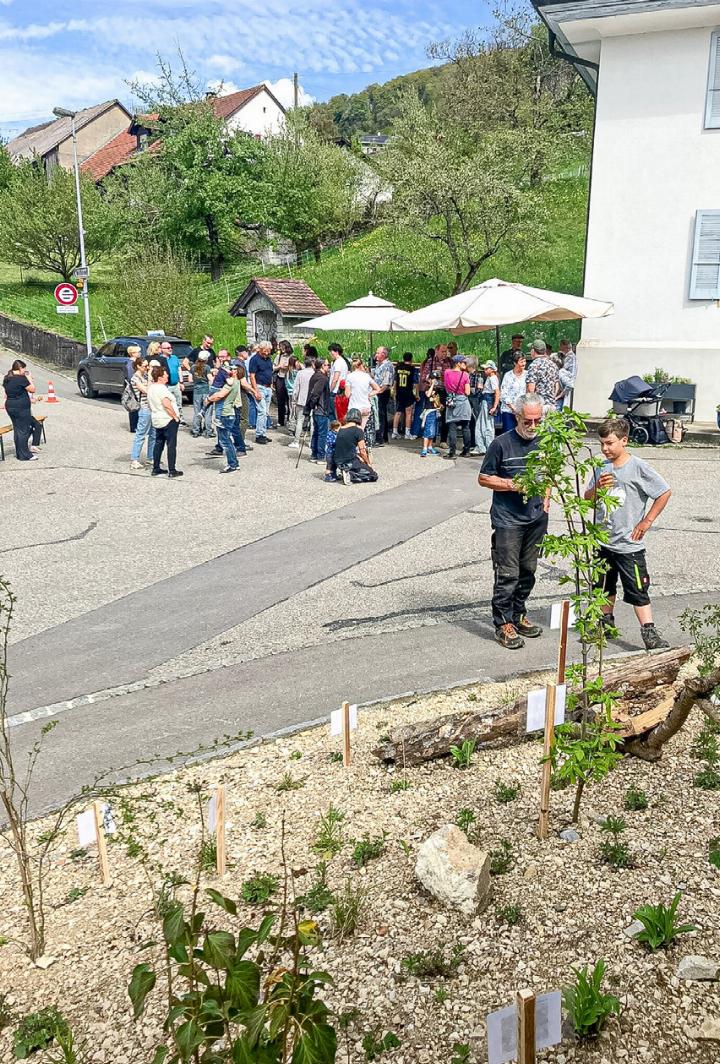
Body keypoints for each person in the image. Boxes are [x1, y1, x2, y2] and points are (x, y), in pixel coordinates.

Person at [584, 418, 671, 651]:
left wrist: (647, 520)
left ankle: (649, 631)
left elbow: (664, 492)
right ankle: (604, 623)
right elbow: (587, 499)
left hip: (629, 545)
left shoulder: (639, 467)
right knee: (603, 586)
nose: (605, 449)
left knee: (638, 589)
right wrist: (597, 489)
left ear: (624, 441)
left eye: (610, 443)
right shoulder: (601, 467)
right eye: (602, 444)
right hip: (603, 541)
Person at [478, 394, 548, 650]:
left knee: (528, 570)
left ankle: (519, 614)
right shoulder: (501, 444)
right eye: (527, 421)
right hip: (508, 519)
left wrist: (547, 499)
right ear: (517, 417)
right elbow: (484, 478)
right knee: (508, 573)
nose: (532, 426)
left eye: (537, 421)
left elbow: (549, 473)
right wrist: (510, 484)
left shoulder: (545, 442)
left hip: (536, 517)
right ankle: (503, 622)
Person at [2, 359, 40, 462]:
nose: (24, 371)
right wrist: (29, 379)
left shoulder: (7, 378)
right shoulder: (21, 378)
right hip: (21, 407)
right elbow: (32, 389)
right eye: (24, 369)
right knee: (24, 430)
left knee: (17, 430)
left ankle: (19, 453)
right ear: (20, 368)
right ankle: (26, 455)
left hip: (10, 406)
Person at [205, 362, 240, 473]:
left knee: (225, 441)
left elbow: (220, 395)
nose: (230, 370)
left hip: (226, 414)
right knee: (227, 439)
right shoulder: (236, 382)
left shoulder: (230, 383)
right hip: (230, 413)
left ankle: (232, 464)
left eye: (233, 369)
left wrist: (209, 400)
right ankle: (234, 463)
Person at [148, 366, 182, 478]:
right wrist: (175, 416)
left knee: (158, 443)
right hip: (167, 419)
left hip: (157, 419)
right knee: (171, 445)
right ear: (160, 377)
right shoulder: (162, 389)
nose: (167, 375)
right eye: (165, 374)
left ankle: (156, 467)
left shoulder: (151, 388)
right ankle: (172, 470)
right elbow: (166, 404)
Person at [334, 408, 378, 484]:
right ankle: (350, 475)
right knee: (373, 475)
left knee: (359, 463)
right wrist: (368, 463)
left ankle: (346, 471)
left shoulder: (341, 429)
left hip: (338, 459)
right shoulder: (358, 430)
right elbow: (362, 450)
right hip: (350, 460)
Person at [443, 354, 472, 458]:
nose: (466, 364)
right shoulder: (465, 375)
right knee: (466, 427)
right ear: (458, 363)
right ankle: (466, 451)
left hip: (452, 401)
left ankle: (452, 452)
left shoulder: (446, 373)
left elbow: (446, 387)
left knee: (452, 427)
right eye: (464, 362)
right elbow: (467, 392)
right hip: (463, 402)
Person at [305, 358, 334, 463]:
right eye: (327, 365)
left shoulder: (314, 376)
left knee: (316, 432)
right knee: (322, 433)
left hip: (317, 409)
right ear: (322, 366)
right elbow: (316, 393)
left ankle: (314, 454)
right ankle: (320, 456)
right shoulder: (322, 378)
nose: (328, 367)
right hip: (321, 409)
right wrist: (313, 404)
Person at [129, 356, 156, 469]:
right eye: (145, 366)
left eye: (148, 365)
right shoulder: (135, 379)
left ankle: (151, 457)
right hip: (144, 408)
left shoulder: (145, 376)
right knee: (140, 434)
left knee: (153, 434)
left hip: (152, 408)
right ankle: (134, 459)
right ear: (138, 366)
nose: (147, 368)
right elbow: (147, 391)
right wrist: (150, 378)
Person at [249, 341, 274, 444]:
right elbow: (252, 376)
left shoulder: (268, 359)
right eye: (265, 351)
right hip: (260, 387)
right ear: (260, 349)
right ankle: (259, 435)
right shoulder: (254, 359)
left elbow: (270, 372)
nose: (267, 353)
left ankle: (263, 433)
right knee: (262, 411)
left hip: (268, 387)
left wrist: (271, 385)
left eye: (268, 351)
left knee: (266, 412)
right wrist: (256, 391)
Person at [345, 357, 381, 429]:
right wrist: (369, 394)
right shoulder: (367, 376)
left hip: (354, 408)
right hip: (366, 407)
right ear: (361, 365)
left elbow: (347, 395)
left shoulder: (349, 376)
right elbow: (378, 389)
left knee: (353, 430)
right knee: (362, 429)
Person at [289, 356, 315, 449]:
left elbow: (296, 388)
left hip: (301, 399)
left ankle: (296, 441)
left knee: (299, 421)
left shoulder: (300, 373)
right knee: (312, 422)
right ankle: (311, 442)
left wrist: (294, 400)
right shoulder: (315, 373)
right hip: (312, 400)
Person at [525, 339, 561, 409]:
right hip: (552, 405)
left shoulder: (534, 366)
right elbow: (557, 386)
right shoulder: (553, 364)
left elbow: (530, 389)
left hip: (539, 406)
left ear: (533, 350)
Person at [476, 360, 501, 454]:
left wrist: (494, 406)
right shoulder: (490, 378)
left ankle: (487, 446)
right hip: (485, 400)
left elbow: (497, 392)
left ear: (492, 369)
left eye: (487, 368)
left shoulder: (493, 378)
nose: (485, 370)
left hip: (488, 401)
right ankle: (482, 445)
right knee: (483, 424)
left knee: (487, 425)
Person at [499, 352, 528, 433]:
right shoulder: (508, 375)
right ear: (515, 363)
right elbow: (504, 394)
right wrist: (513, 408)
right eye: (521, 361)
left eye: (524, 361)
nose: (523, 364)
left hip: (522, 411)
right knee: (509, 434)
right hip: (509, 411)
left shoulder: (527, 374)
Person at [371, 346, 394, 445]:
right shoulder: (378, 365)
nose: (375, 355)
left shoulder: (388, 366)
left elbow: (386, 383)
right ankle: (383, 437)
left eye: (377, 353)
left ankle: (380, 438)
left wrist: (378, 392)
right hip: (377, 390)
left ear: (383, 355)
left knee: (380, 414)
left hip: (382, 392)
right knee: (381, 414)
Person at [392, 353, 417, 439]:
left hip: (399, 391)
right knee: (408, 412)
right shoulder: (412, 369)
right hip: (408, 392)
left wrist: (394, 391)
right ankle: (407, 433)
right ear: (411, 359)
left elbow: (395, 381)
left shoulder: (398, 367)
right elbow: (415, 383)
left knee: (398, 412)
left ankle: (394, 432)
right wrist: (416, 394)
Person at [159, 340, 185, 422]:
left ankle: (180, 418)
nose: (170, 349)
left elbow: (179, 370)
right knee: (168, 403)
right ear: (162, 349)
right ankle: (170, 418)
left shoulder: (174, 358)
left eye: (171, 347)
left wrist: (181, 382)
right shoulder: (160, 359)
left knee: (179, 402)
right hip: (167, 385)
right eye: (168, 348)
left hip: (176, 384)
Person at [190, 351, 213, 437]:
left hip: (196, 391)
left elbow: (190, 379)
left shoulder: (193, 367)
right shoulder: (207, 367)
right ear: (206, 359)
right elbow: (210, 379)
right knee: (207, 412)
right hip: (206, 390)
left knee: (197, 411)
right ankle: (208, 431)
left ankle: (196, 430)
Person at [419, 373, 442, 457]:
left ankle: (430, 446)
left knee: (433, 430)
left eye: (436, 379)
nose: (435, 381)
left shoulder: (437, 389)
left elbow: (437, 399)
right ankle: (424, 448)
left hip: (435, 410)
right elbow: (428, 395)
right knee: (427, 429)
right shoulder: (427, 388)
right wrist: (432, 384)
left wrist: (440, 405)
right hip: (429, 411)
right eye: (433, 379)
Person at [273, 340, 293, 428]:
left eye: (283, 347)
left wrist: (288, 367)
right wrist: (279, 366)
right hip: (280, 378)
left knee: (290, 400)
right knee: (280, 400)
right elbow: (273, 367)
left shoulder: (292, 356)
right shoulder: (279, 356)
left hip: (289, 378)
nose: (281, 348)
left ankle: (290, 419)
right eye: (281, 347)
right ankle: (280, 420)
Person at [329, 342, 350, 422]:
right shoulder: (343, 362)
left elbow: (335, 378)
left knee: (333, 414)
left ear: (336, 351)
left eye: (331, 351)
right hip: (341, 390)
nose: (331, 354)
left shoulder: (338, 362)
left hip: (335, 391)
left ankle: (333, 432)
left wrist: (330, 389)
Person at [124, 344, 142, 433]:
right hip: (133, 387)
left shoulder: (135, 363)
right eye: (138, 352)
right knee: (134, 406)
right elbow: (131, 377)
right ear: (132, 353)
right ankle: (134, 426)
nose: (140, 354)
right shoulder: (130, 364)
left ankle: (137, 425)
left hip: (136, 385)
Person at [557, 339, 577, 410]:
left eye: (561, 346)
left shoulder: (570, 356)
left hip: (569, 381)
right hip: (569, 382)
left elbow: (564, 369)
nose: (559, 348)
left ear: (565, 346)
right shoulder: (571, 356)